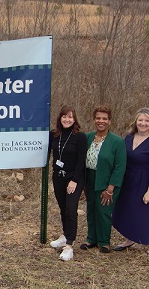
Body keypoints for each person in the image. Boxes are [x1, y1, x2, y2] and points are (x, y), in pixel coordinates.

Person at [112, 108, 149, 255]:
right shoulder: (128, 138)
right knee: (128, 210)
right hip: (129, 179)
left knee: (145, 213)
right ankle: (130, 239)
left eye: (147, 121)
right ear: (135, 122)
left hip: (147, 182)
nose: (143, 123)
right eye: (140, 120)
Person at [81, 105, 126, 253]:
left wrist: (110, 189)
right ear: (94, 120)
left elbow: (119, 166)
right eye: (98, 118)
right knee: (91, 209)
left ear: (110, 121)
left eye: (104, 119)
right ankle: (91, 239)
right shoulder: (87, 137)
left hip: (107, 181)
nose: (101, 121)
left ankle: (104, 241)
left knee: (103, 210)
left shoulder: (117, 142)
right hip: (90, 178)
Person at [48, 105, 87, 261]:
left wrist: (74, 180)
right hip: (58, 177)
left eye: (70, 117)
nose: (67, 119)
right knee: (63, 208)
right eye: (64, 116)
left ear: (74, 119)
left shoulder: (80, 137)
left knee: (71, 209)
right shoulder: (54, 135)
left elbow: (81, 160)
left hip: (74, 179)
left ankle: (69, 246)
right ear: (60, 118)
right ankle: (65, 235)